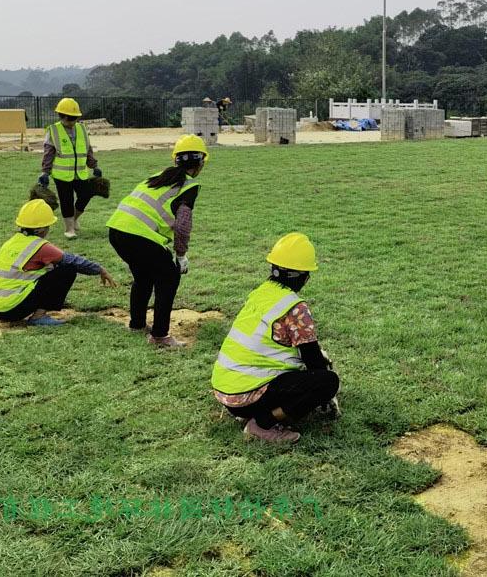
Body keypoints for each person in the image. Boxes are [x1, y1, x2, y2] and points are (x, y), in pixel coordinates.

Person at [211, 232, 340, 445]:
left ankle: (255, 411)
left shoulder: (261, 293)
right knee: (326, 381)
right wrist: (324, 394)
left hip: (226, 390)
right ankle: (261, 424)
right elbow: (314, 362)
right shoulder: (295, 308)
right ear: (305, 276)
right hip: (247, 395)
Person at [106, 134, 208, 349]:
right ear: (200, 162)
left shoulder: (156, 177)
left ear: (175, 160)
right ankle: (160, 335)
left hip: (116, 230)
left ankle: (137, 325)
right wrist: (180, 255)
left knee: (143, 277)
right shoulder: (189, 186)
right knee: (169, 277)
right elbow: (182, 225)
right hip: (139, 236)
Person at [0, 199, 116, 326]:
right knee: (67, 270)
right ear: (41, 229)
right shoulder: (40, 246)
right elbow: (73, 261)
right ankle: (39, 316)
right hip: (11, 308)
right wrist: (100, 269)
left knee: (51, 267)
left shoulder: (13, 241)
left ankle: (17, 312)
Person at [38, 97, 101, 239]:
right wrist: (45, 172)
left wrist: (94, 165)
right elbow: (48, 153)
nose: (73, 122)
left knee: (86, 194)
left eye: (75, 118)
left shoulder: (82, 129)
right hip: (61, 175)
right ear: (63, 116)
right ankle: (69, 229)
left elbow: (87, 149)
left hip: (80, 173)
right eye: (71, 119)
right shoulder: (53, 130)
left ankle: (74, 219)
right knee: (66, 200)